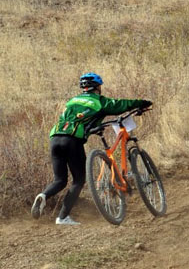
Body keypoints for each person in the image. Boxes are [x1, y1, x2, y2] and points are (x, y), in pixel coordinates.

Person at [31, 73, 152, 225]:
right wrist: (142, 103)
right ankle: (62, 218)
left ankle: (43, 195)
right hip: (72, 140)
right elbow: (119, 105)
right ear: (98, 87)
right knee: (79, 179)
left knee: (60, 180)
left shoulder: (72, 101)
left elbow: (78, 118)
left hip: (55, 138)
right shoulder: (99, 101)